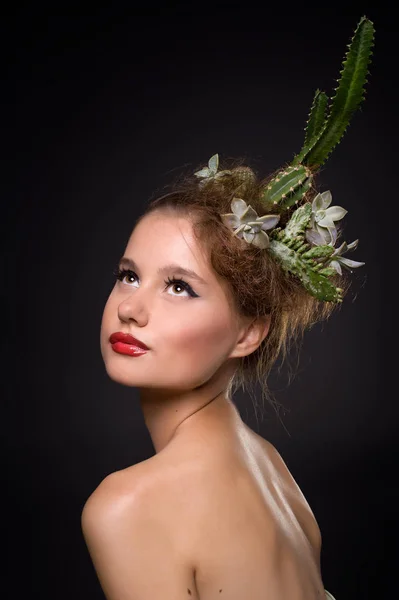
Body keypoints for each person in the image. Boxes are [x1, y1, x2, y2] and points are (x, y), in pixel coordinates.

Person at [81, 16, 374, 600]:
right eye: (129, 275)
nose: (131, 309)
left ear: (249, 332)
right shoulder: (268, 466)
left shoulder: (128, 506)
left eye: (180, 287)